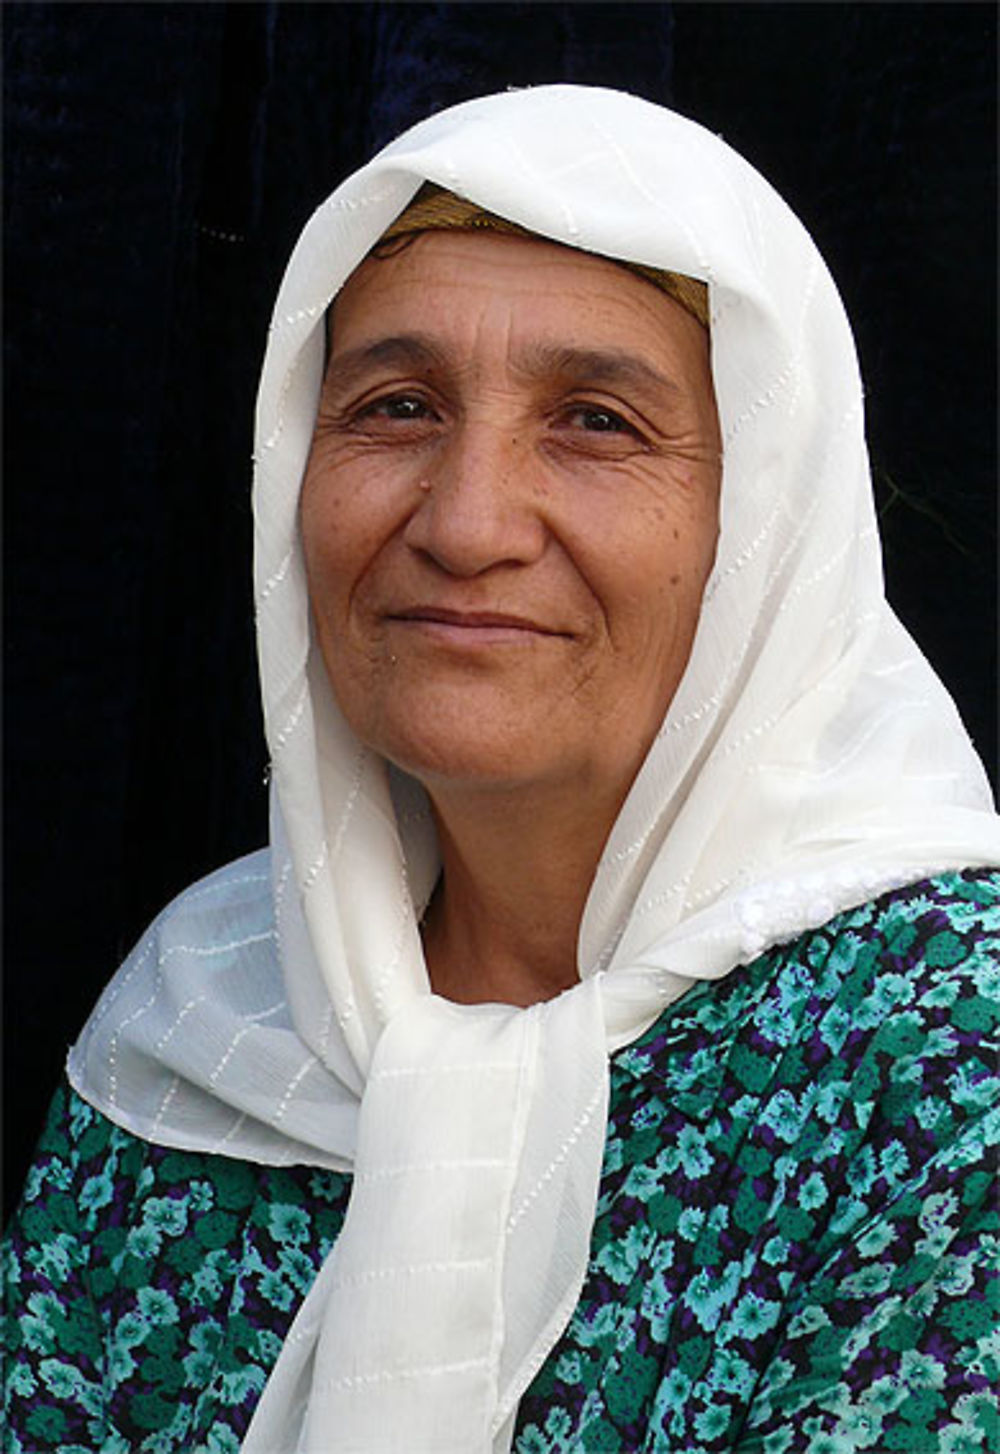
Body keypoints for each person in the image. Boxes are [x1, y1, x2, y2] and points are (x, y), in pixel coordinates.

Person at [3, 84, 999, 1454]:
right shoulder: (212, 1007)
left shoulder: (944, 1049)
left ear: (766, 518)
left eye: (597, 421)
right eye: (397, 405)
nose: (468, 523)